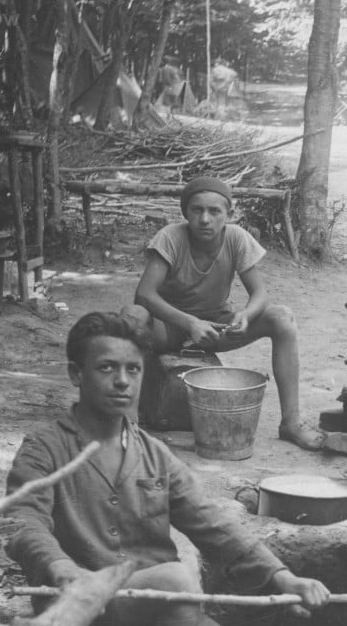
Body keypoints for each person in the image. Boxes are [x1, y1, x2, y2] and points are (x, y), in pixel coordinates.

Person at [6, 311, 331, 626]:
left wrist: (282, 578)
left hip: (165, 616)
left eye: (133, 369)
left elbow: (213, 525)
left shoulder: (154, 454)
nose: (122, 381)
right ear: (75, 374)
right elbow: (22, 521)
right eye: (106, 368)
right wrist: (62, 570)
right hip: (87, 618)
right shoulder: (45, 447)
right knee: (177, 580)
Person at [122, 176, 324, 449]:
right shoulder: (171, 237)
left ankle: (290, 423)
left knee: (281, 317)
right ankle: (127, 424)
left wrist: (247, 315)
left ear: (228, 214)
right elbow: (144, 294)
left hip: (217, 329)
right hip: (168, 328)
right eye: (197, 210)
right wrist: (190, 322)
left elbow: (260, 294)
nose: (205, 219)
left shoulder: (237, 238)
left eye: (214, 211)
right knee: (132, 315)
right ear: (186, 213)